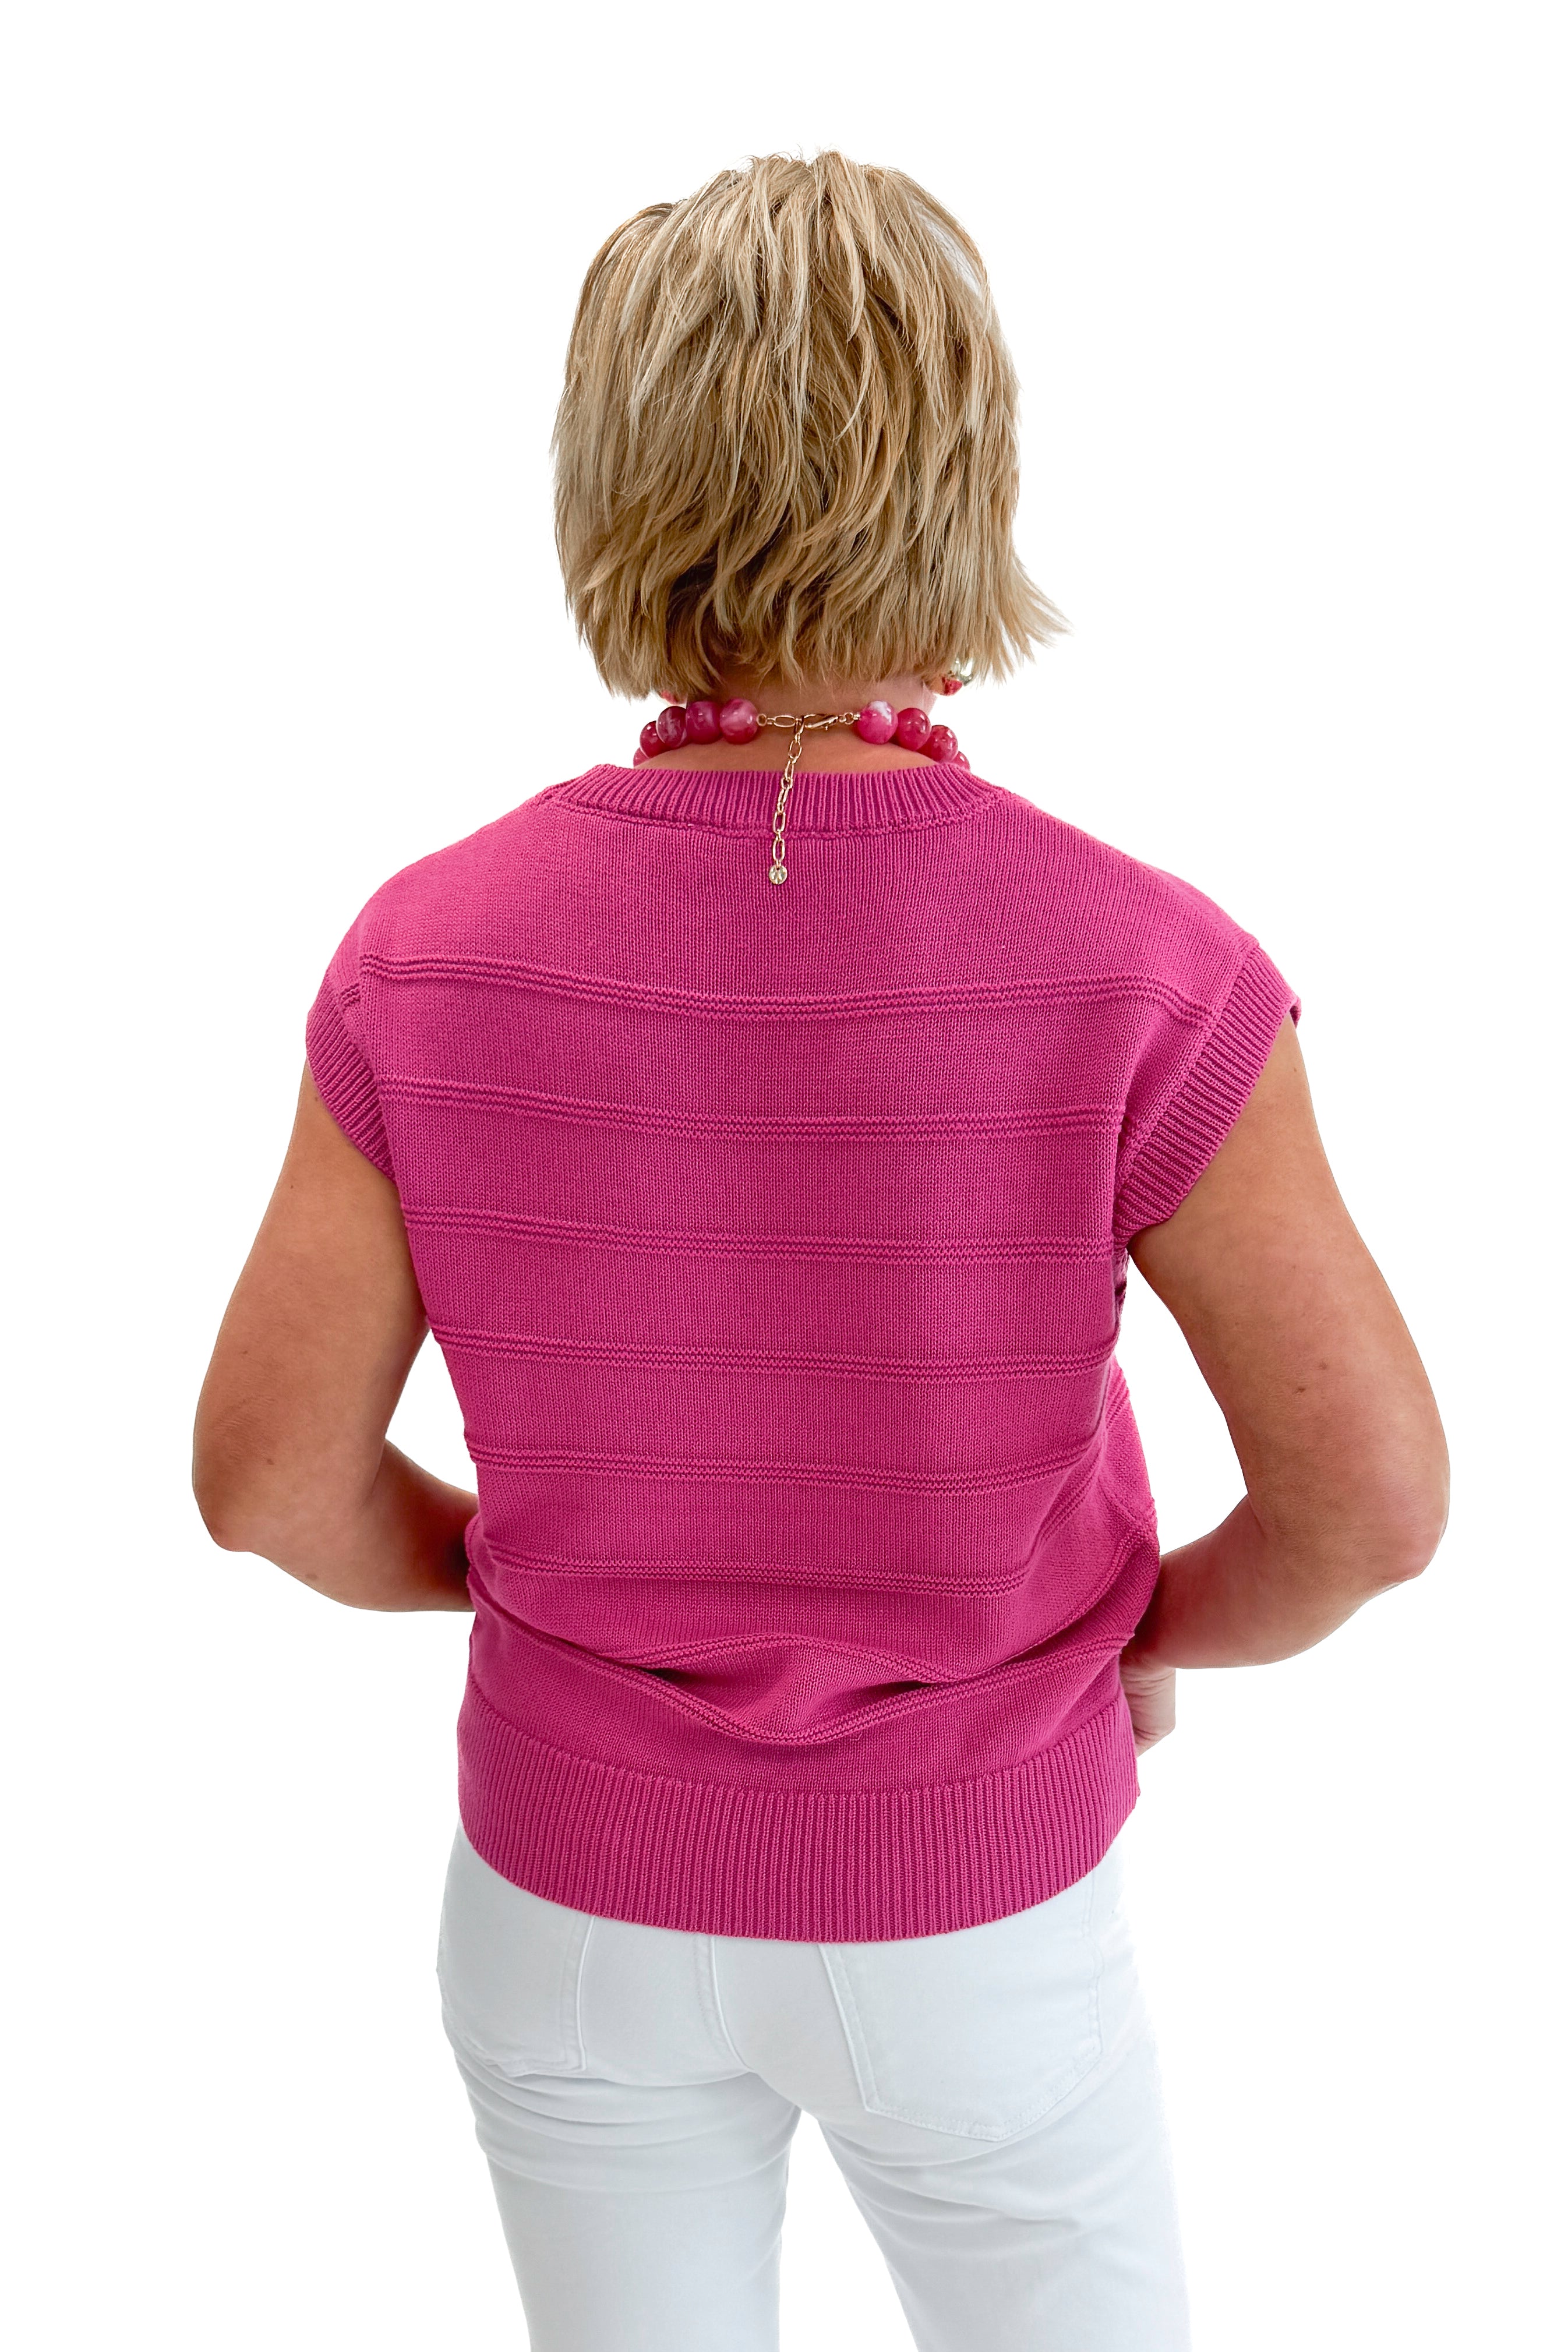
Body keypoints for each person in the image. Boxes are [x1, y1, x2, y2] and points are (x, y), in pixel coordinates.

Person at [192, 151, 1449, 2352]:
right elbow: (1373, 1508)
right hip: (973, 1912)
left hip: (565, 1904)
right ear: (969, 480)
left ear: (604, 489)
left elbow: (265, 1482)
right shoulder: (1145, 972)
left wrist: (528, 1573)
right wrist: (1120, 1638)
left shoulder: (424, 954)